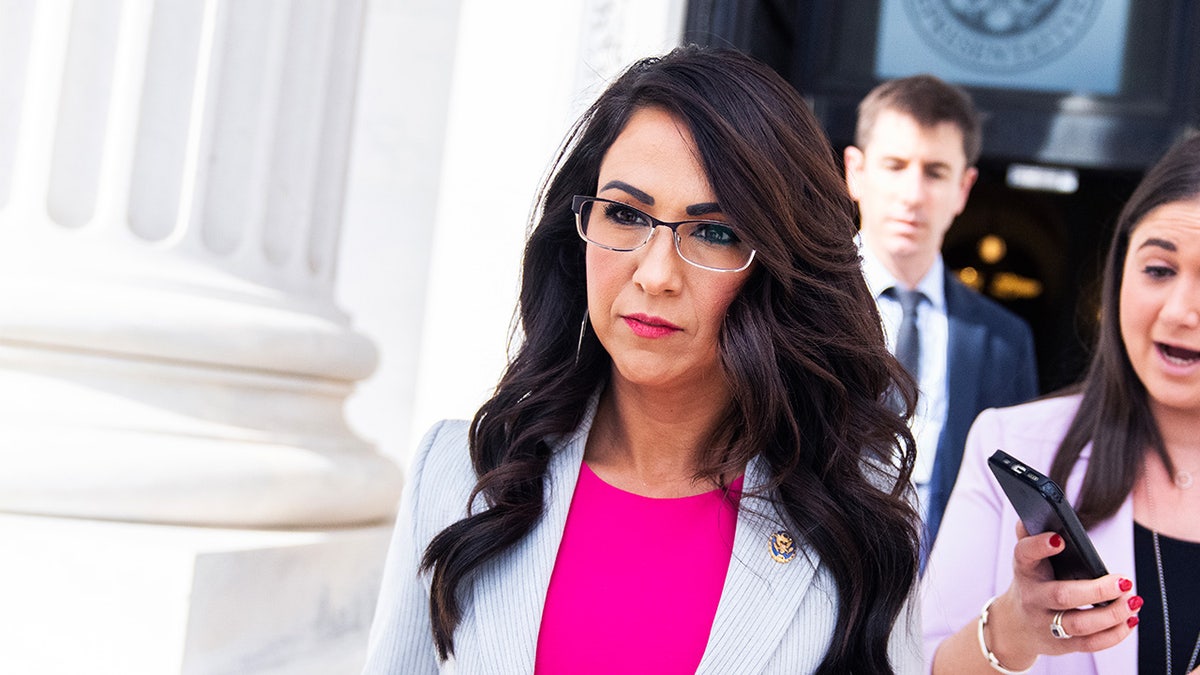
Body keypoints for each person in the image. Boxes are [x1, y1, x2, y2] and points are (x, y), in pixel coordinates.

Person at [361, 46, 924, 674]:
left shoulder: (857, 513)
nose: (656, 275)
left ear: (774, 265)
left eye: (715, 231)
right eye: (626, 214)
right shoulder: (457, 473)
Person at [922, 132, 1200, 673]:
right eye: (1159, 270)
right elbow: (920, 664)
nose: (1180, 311)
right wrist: (1011, 630)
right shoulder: (1011, 442)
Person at [842, 75, 1039, 554]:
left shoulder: (1004, 340)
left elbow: (1014, 500)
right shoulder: (792, 300)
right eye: (895, 165)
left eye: (934, 172)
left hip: (940, 599)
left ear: (964, 188)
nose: (913, 193)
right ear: (855, 171)